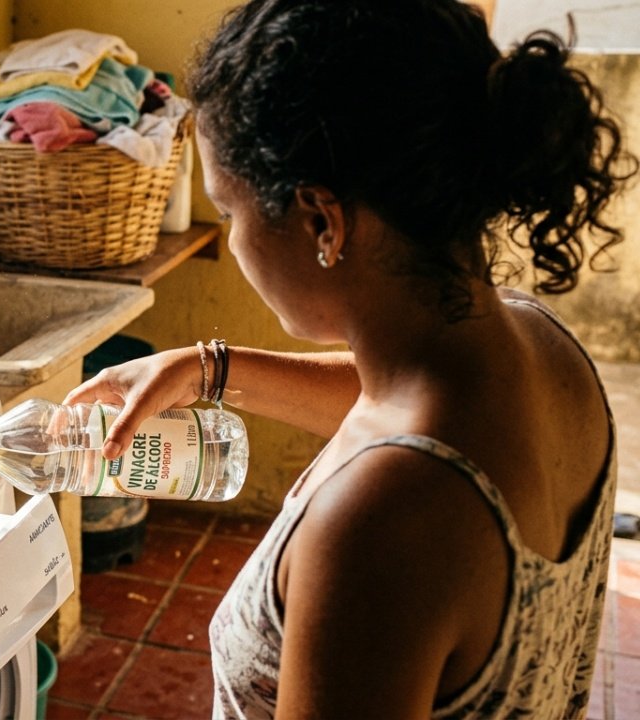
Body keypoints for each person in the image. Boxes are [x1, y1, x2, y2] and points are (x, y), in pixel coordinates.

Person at [64, 1, 637, 717]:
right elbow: (395, 414)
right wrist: (208, 369)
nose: (234, 240)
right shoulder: (538, 346)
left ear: (320, 221)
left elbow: (407, 469)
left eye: (230, 210)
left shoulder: (380, 529)